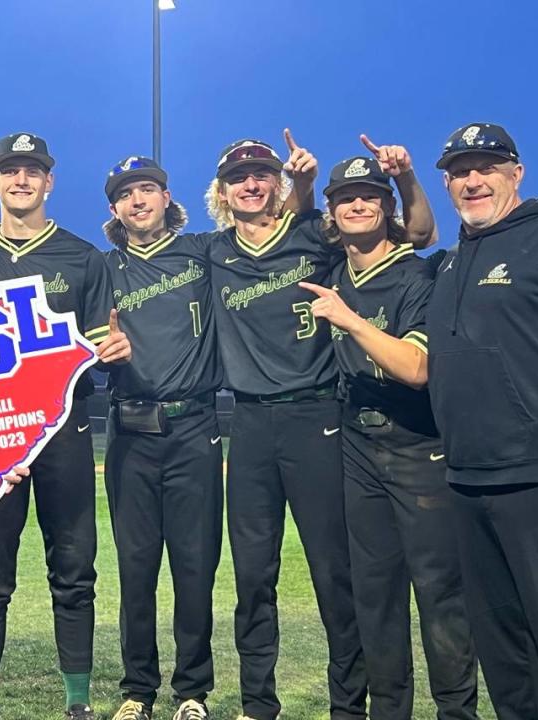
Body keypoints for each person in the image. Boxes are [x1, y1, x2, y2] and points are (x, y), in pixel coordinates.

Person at [300, 150, 478, 720]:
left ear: (386, 207)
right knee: (374, 595)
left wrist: (349, 319)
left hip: (418, 446)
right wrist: (301, 183)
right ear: (333, 212)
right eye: (346, 198)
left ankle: (457, 711)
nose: (357, 204)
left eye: (369, 196)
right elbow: (295, 220)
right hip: (358, 445)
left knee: (439, 592)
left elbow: (417, 368)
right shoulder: (332, 268)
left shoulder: (419, 272)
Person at [0, 132, 129, 720]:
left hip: (64, 429)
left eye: (32, 171)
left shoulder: (83, 257)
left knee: (74, 565)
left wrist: (110, 348)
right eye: (10, 171)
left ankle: (78, 701)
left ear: (49, 182)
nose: (21, 180)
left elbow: (100, 338)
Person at [206, 134, 370, 720]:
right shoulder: (211, 252)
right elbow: (142, 254)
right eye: (238, 177)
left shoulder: (313, 236)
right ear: (222, 191)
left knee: (334, 571)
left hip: (317, 416)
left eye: (261, 174)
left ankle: (348, 706)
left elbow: (416, 235)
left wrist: (307, 187)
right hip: (249, 424)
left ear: (276, 182)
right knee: (253, 577)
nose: (250, 185)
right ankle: (258, 705)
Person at [101, 156, 223, 720]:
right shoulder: (103, 269)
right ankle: (137, 690)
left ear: (166, 196)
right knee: (136, 567)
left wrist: (298, 188)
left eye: (147, 188)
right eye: (126, 194)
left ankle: (193, 691)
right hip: (129, 429)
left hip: (195, 425)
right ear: (115, 209)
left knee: (195, 565)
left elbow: (268, 236)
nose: (138, 199)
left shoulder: (203, 252)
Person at [427, 122, 538, 720]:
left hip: (532, 477)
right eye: (459, 171)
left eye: (487, 167)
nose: (473, 180)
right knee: (503, 650)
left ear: (516, 173)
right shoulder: (449, 262)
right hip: (467, 479)